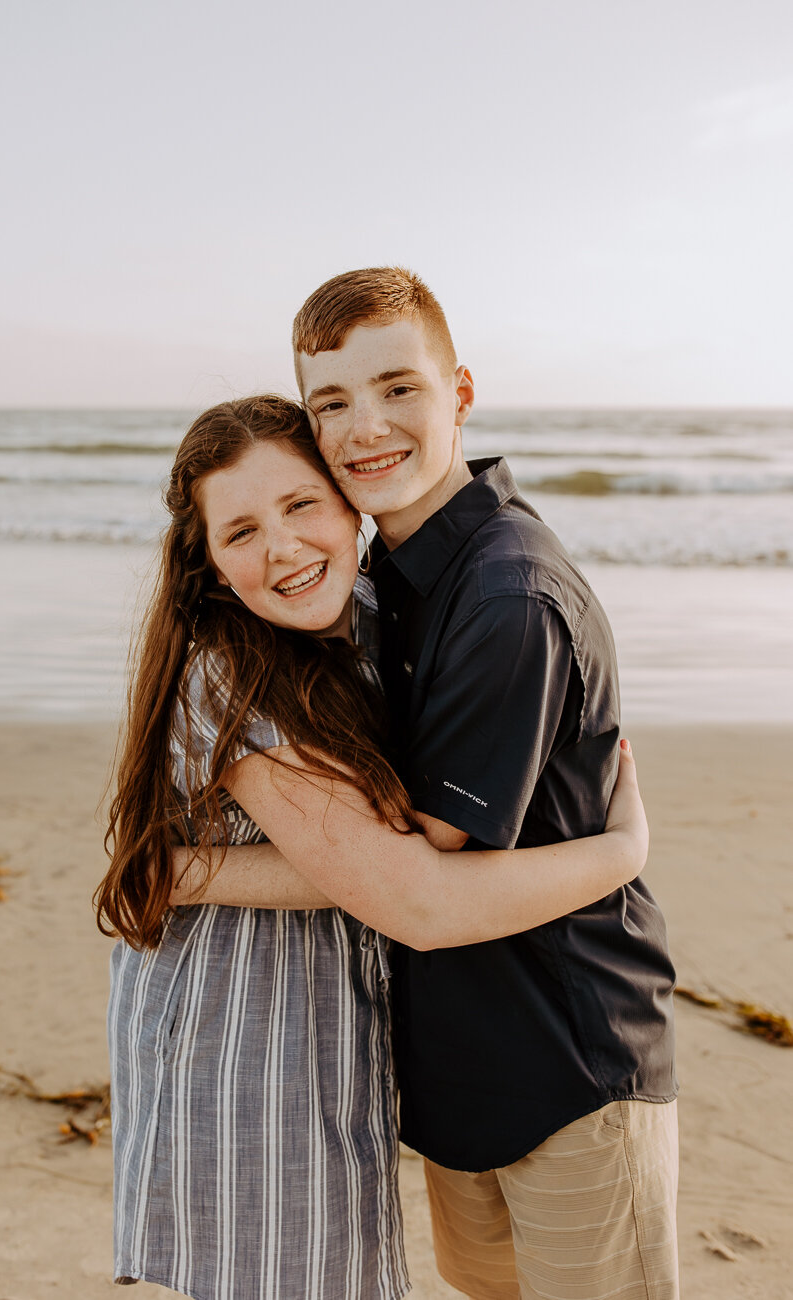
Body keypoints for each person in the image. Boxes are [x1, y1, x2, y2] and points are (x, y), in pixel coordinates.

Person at [96, 394, 650, 1300]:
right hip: (239, 1032)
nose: (280, 548)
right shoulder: (230, 670)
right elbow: (407, 890)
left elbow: (371, 855)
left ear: (349, 497)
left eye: (300, 505)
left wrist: (196, 869)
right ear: (209, 566)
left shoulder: (367, 608)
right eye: (239, 531)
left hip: (332, 1020)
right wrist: (619, 851)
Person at [197, 268, 680, 1300]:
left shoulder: (507, 595)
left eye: (397, 388)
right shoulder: (384, 580)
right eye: (331, 402)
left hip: (569, 1064)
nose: (365, 426)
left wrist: (189, 869)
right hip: (461, 1073)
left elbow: (410, 884)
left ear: (459, 391)